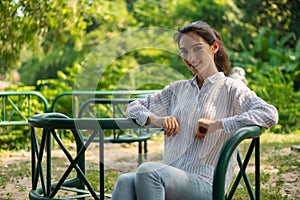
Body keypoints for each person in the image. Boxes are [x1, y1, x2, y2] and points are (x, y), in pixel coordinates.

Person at [111, 21, 278, 200]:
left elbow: (269, 114)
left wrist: (218, 124)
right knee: (125, 181)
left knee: (148, 171)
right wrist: (157, 120)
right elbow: (133, 107)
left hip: (207, 185)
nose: (190, 57)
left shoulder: (231, 88)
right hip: (171, 178)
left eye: (197, 49)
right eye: (184, 51)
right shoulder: (177, 89)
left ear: (214, 47)